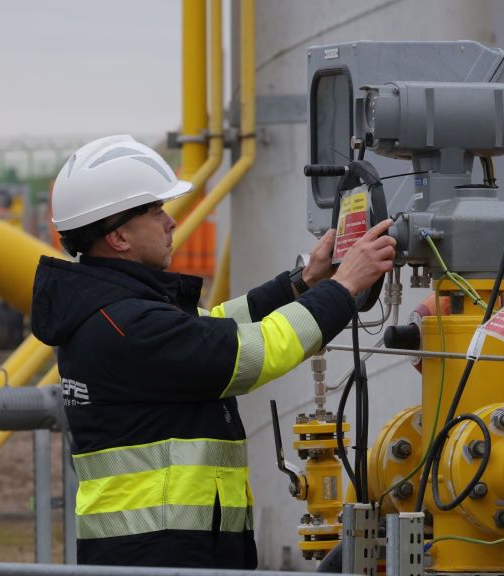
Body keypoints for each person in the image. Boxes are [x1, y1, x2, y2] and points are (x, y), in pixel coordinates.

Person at [30, 135, 395, 569]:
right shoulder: (127, 326)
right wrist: (343, 287)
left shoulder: (114, 311)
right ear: (119, 237)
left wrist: (300, 283)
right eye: (155, 212)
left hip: (159, 549)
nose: (170, 222)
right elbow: (250, 353)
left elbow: (209, 329)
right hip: (161, 554)